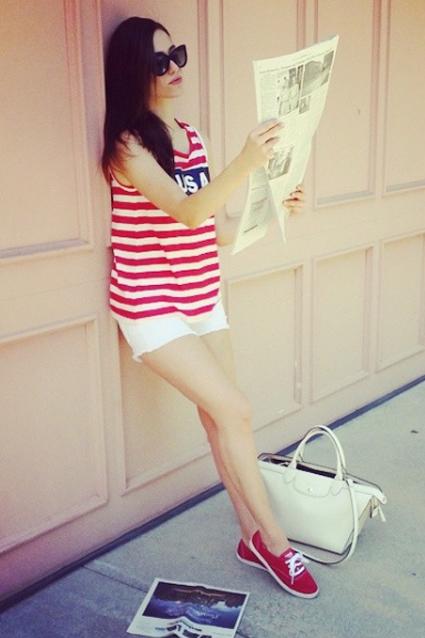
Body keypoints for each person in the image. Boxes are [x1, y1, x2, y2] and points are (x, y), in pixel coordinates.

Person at [101, 16, 318, 599]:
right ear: (134, 72)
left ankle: (251, 538)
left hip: (201, 294)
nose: (174, 68)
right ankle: (278, 543)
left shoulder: (191, 136)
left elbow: (212, 228)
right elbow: (186, 210)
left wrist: (275, 210)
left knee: (221, 419)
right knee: (237, 410)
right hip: (151, 305)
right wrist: (246, 162)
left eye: (177, 54)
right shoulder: (127, 145)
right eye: (159, 62)